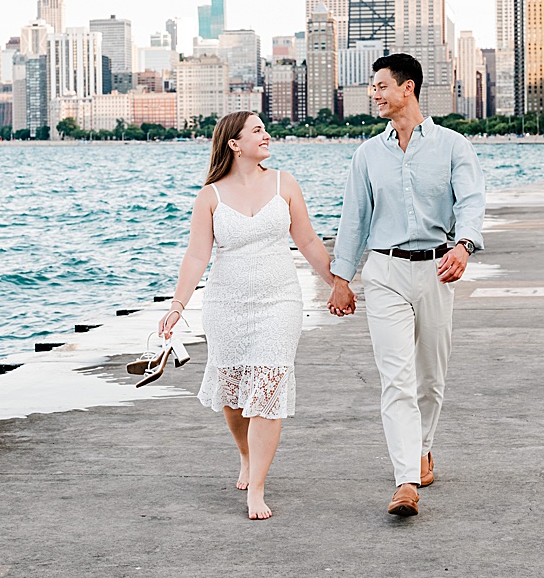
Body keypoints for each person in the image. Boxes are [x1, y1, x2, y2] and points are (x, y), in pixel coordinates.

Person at [327, 54, 485, 518]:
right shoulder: (367, 155)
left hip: (437, 269)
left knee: (430, 378)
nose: (373, 95)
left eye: (380, 86)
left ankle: (423, 449)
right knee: (396, 379)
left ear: (407, 88)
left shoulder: (453, 146)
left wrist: (464, 246)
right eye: (373, 88)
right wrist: (341, 278)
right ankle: (406, 482)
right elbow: (354, 220)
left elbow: (471, 202)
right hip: (385, 273)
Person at [161, 111, 336, 520]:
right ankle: (245, 454)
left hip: (280, 302)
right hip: (226, 305)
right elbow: (197, 256)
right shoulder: (210, 196)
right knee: (234, 393)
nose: (267, 135)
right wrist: (177, 306)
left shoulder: (284, 184)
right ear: (234, 144)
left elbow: (308, 240)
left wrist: (337, 283)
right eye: (257, 130)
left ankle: (257, 487)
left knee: (268, 389)